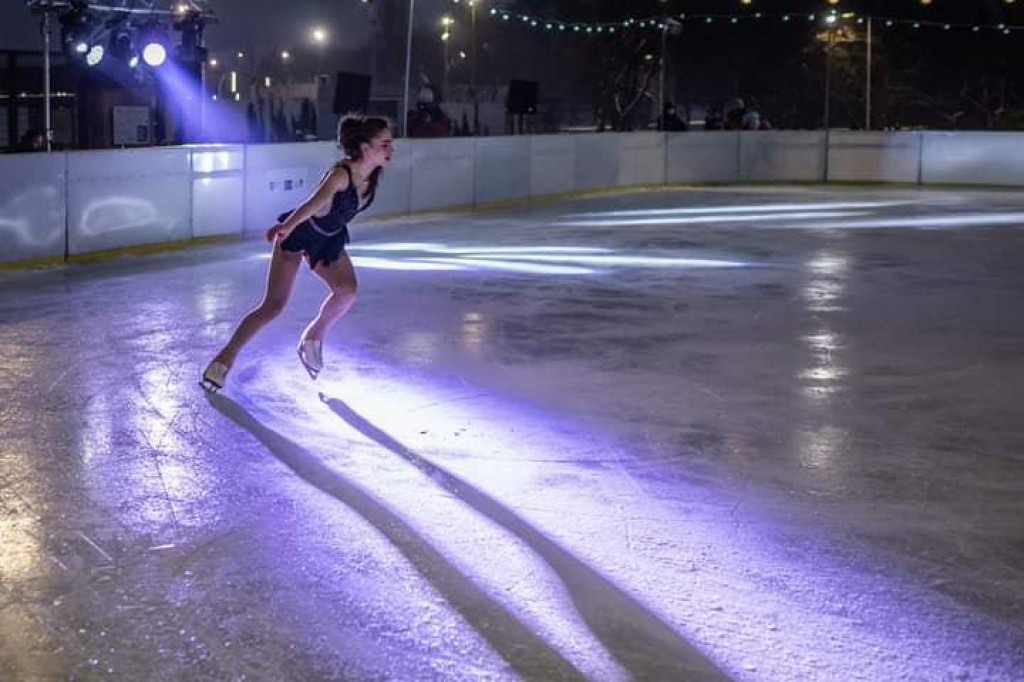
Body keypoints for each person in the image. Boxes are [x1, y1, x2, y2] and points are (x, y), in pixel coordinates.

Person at [201, 115, 394, 391]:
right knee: (273, 306)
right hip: (299, 234)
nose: (391, 149)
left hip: (327, 239)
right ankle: (224, 359)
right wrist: (286, 227)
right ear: (366, 148)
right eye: (384, 144)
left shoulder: (370, 176)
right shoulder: (341, 175)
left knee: (347, 291)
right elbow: (313, 203)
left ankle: (312, 337)